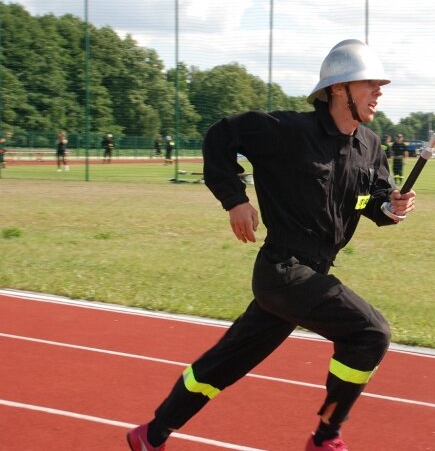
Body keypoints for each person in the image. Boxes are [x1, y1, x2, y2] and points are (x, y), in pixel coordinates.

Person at [126, 39, 416, 451]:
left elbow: (371, 204)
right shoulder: (289, 131)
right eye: (369, 83)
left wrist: (393, 207)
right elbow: (219, 136)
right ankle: (326, 436)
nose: (379, 92)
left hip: (312, 274)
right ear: (338, 89)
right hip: (283, 270)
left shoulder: (369, 147)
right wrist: (235, 199)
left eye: (380, 85)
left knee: (227, 361)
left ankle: (150, 435)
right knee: (370, 333)